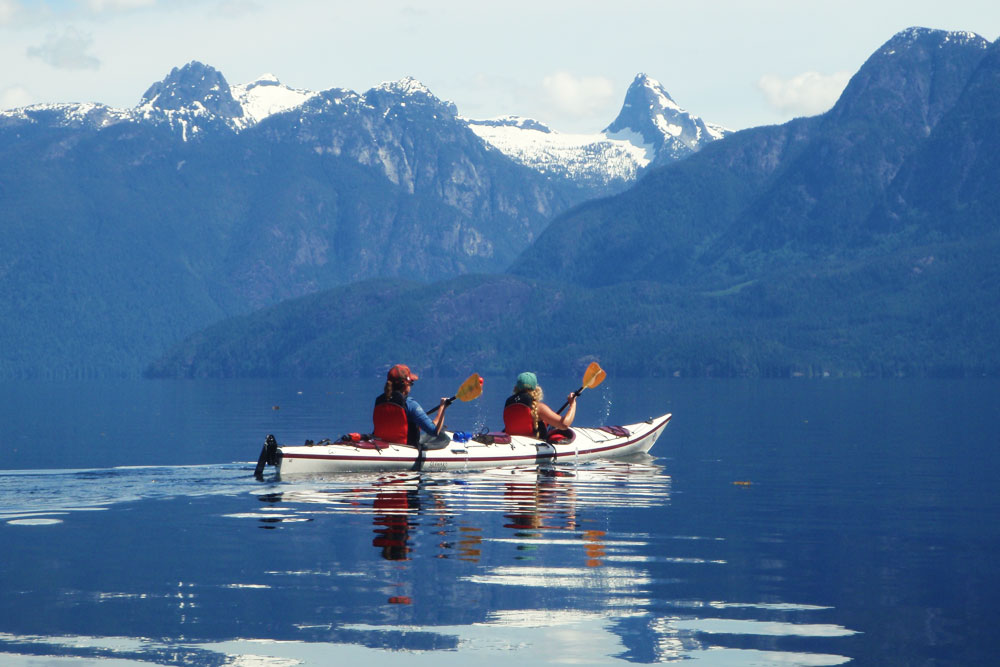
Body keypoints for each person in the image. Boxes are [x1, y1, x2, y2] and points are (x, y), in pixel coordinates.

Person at [373, 364, 449, 448]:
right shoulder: (409, 403)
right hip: (407, 447)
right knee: (442, 436)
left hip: (384, 445)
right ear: (405, 384)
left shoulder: (379, 401)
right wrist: (442, 408)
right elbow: (434, 431)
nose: (411, 386)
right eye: (411, 383)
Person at [503, 371, 576, 439]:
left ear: (516, 388)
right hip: (533, 446)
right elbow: (564, 425)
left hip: (514, 444)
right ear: (536, 388)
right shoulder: (539, 407)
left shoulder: (509, 404)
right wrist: (572, 404)